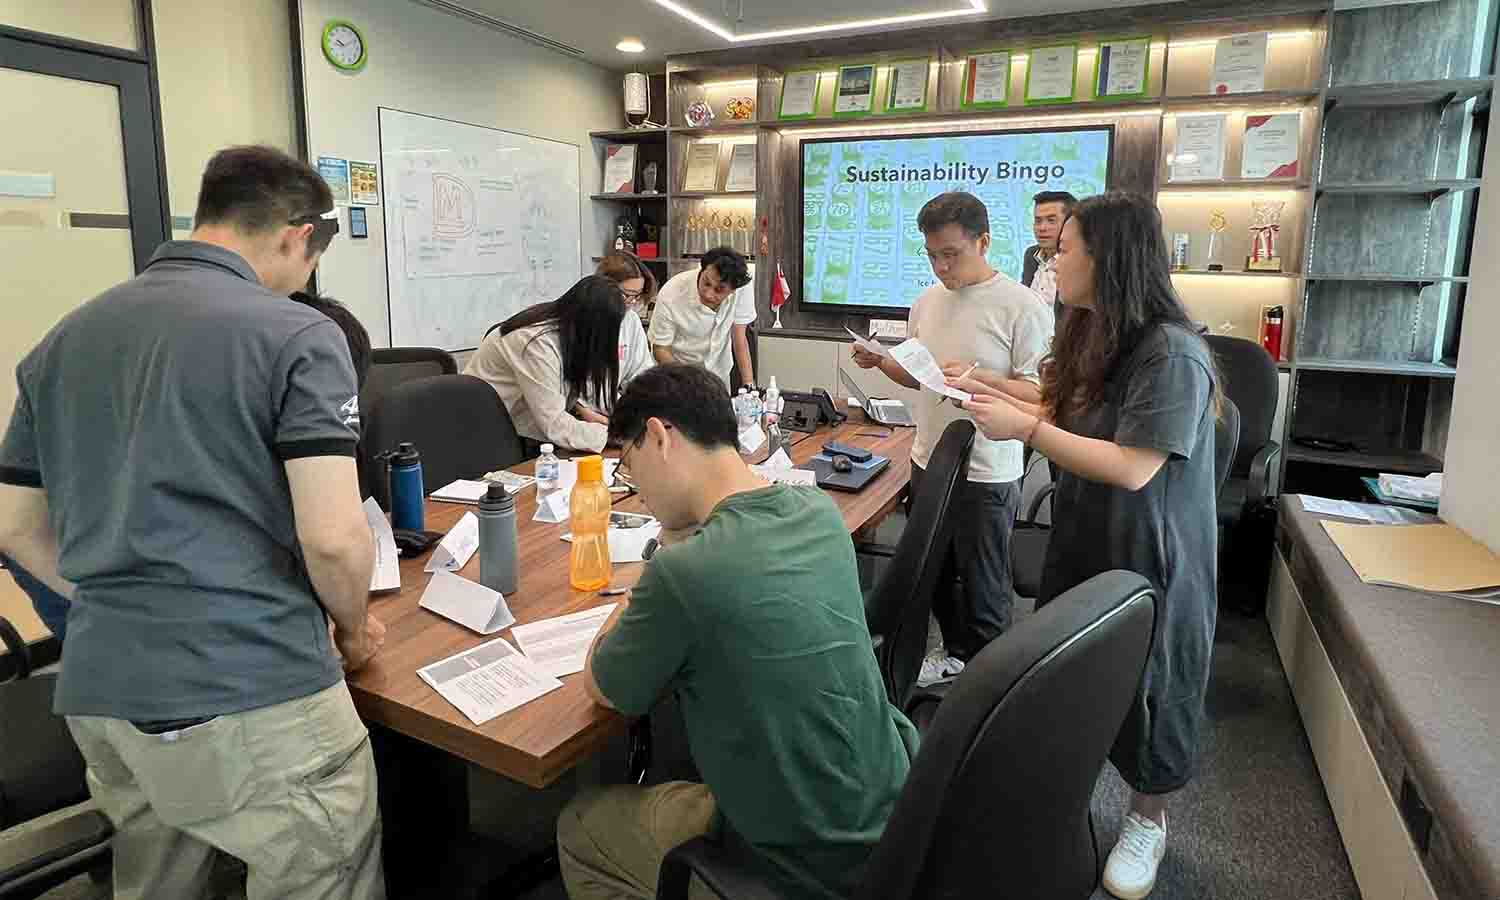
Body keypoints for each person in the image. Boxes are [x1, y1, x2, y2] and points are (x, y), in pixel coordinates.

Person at [0, 145, 386, 900]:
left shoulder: (62, 341)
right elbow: (334, 538)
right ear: (297, 236)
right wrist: (353, 630)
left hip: (104, 689)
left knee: (157, 882)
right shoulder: (298, 334)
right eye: (312, 261)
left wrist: (117, 602)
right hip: (252, 685)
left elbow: (14, 526)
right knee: (320, 872)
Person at [558, 364, 917, 900]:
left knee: (580, 826)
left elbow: (605, 687)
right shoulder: (819, 510)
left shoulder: (684, 573)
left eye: (629, 467)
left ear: (659, 436)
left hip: (803, 868)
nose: (639, 493)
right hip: (892, 818)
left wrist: (642, 585)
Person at [953, 191, 1220, 900]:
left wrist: (1026, 431)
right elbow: (1059, 406)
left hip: (1151, 551)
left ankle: (1148, 819)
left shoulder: (1172, 354)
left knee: (1152, 688)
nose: (1052, 259)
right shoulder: (1091, 330)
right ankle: (1063, 791)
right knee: (1075, 672)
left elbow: (1133, 466)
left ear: (1109, 258)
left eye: (1065, 249)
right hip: (1085, 534)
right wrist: (986, 391)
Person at [0, 292, 372, 647]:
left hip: (77, 554)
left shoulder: (184, 370)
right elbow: (327, 543)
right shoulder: (232, 400)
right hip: (70, 560)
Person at [851, 191, 1053, 687]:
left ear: (984, 242)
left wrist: (981, 379)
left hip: (988, 468)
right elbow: (920, 376)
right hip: (928, 460)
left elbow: (1041, 394)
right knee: (934, 572)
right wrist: (882, 361)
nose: (941, 267)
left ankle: (991, 682)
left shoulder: (1022, 306)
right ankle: (954, 653)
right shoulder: (927, 302)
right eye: (932, 256)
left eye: (951, 254)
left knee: (984, 582)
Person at [466, 275, 652, 453]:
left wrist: (588, 413)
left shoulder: (569, 330)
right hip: (484, 433)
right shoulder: (535, 343)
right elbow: (554, 424)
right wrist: (616, 436)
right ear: (592, 325)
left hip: (524, 429)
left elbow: (572, 390)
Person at [647, 246, 755, 389]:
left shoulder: (742, 288)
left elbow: (739, 338)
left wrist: (749, 386)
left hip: (719, 374)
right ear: (702, 270)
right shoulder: (672, 293)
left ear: (733, 290)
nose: (708, 294)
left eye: (719, 290)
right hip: (676, 374)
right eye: (706, 283)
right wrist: (688, 381)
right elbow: (660, 348)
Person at [1020, 190, 1078, 314]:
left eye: (1051, 220)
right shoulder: (1031, 254)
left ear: (1070, 223)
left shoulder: (1079, 260)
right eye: (1038, 221)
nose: (1042, 228)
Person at [595, 249, 658, 320]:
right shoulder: (589, 317)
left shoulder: (631, 318)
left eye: (637, 295)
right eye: (628, 294)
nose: (633, 301)